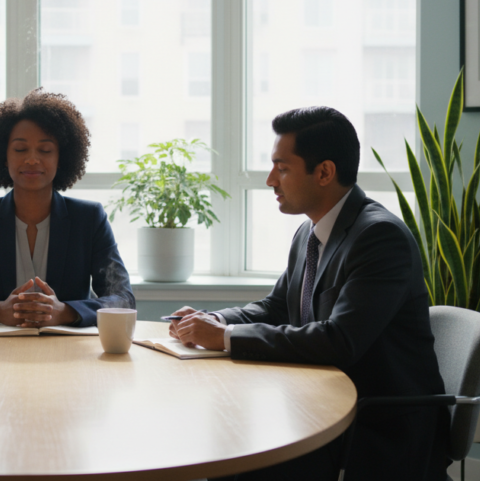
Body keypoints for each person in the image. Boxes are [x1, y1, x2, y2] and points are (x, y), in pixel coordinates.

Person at [168, 107, 448, 480]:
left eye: (282, 168)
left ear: (324, 172)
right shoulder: (310, 233)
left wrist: (224, 337)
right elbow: (277, 306)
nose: (270, 180)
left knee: (239, 461)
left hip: (377, 424)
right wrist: (214, 320)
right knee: (222, 438)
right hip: (317, 404)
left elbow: (339, 339)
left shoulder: (380, 238)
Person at [0, 89, 135, 327]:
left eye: (45, 150)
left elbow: (123, 300)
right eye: (20, 149)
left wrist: (65, 312)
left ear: (61, 158)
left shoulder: (89, 219)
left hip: (71, 355)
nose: (32, 159)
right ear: (4, 157)